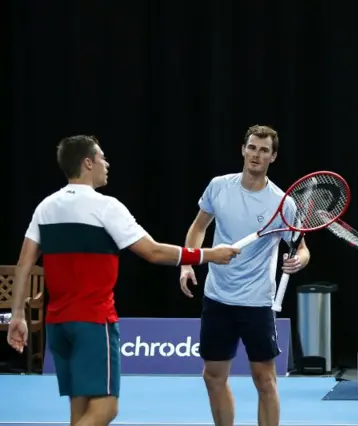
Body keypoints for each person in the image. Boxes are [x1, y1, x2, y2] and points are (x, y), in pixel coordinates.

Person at [6, 135, 240, 426]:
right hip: (93, 323)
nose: (107, 163)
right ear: (88, 162)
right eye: (102, 157)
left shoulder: (45, 207)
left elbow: (24, 263)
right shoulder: (107, 207)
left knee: (80, 413)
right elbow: (153, 252)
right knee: (106, 409)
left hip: (59, 325)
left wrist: (17, 315)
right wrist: (209, 255)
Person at [179, 124, 311, 426]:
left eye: (264, 150)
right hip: (217, 297)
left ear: (272, 157)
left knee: (265, 379)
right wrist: (187, 263)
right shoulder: (218, 187)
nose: (256, 154)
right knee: (213, 376)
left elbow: (301, 248)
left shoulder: (283, 203)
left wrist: (299, 261)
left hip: (256, 302)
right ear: (243, 150)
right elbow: (200, 227)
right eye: (252, 147)